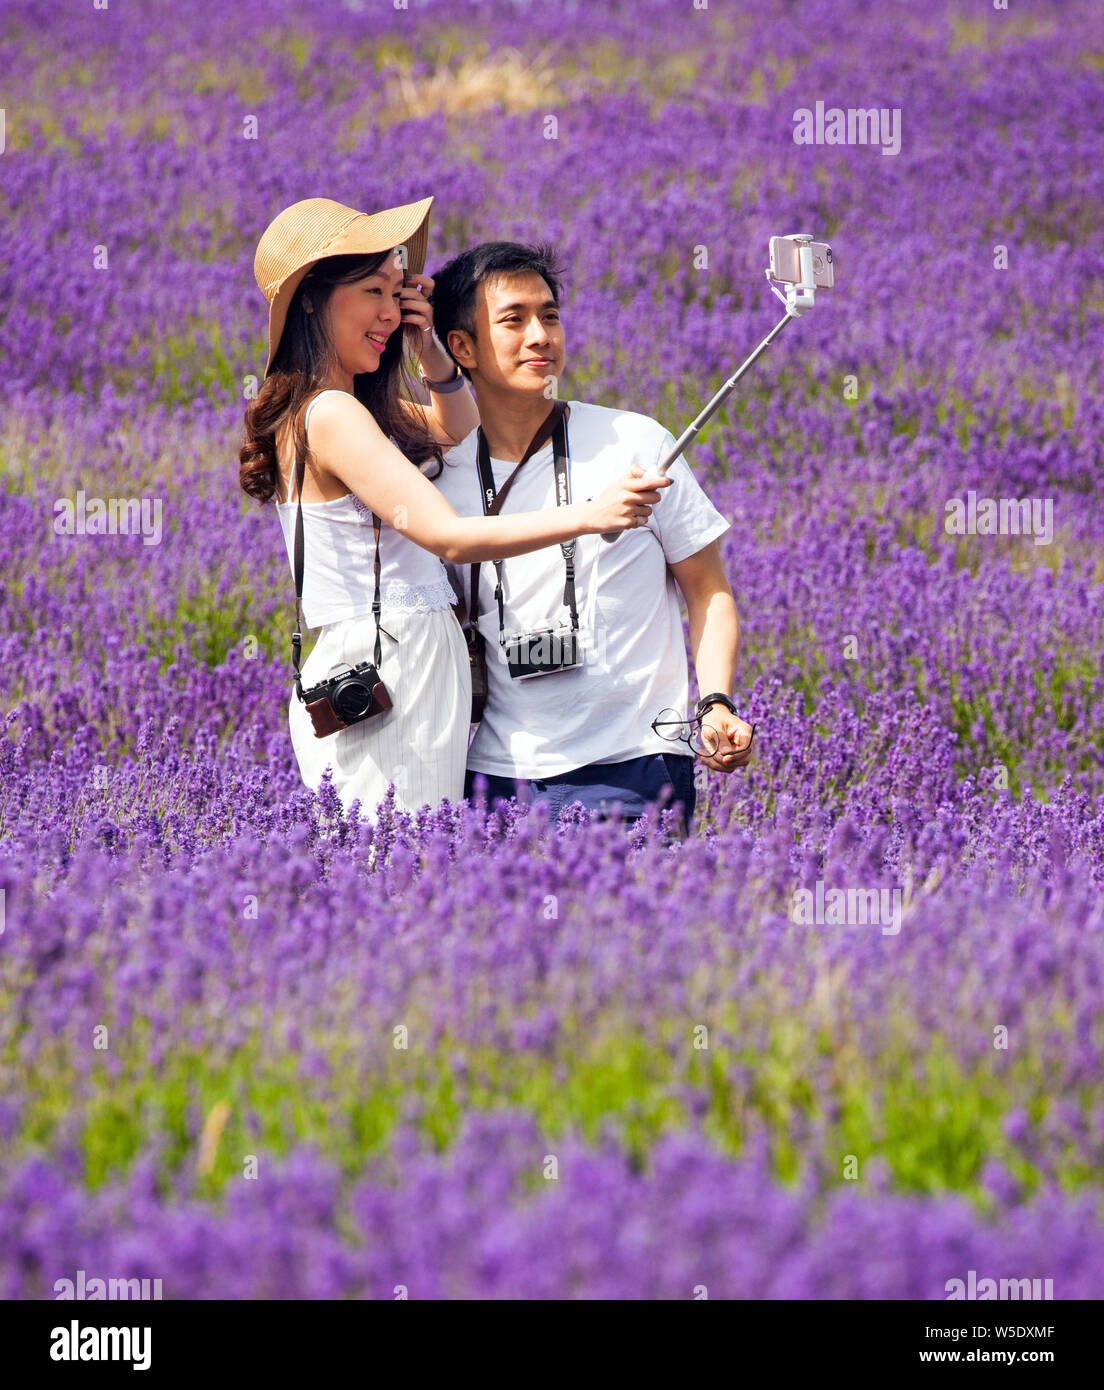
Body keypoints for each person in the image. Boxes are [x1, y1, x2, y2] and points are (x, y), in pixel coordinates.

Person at [239, 199, 669, 818]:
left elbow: (461, 432)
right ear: (310, 298)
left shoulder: (344, 409)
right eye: (371, 292)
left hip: (402, 660)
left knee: (408, 856)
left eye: (398, 292)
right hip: (390, 662)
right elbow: (450, 536)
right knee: (398, 860)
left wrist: (430, 351)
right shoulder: (333, 415)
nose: (389, 312)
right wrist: (590, 515)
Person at [430, 241, 754, 835]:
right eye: (514, 319)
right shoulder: (443, 483)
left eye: (549, 315)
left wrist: (716, 702)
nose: (541, 336)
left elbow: (708, 589)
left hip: (636, 768)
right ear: (462, 347)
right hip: (499, 776)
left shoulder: (636, 443)